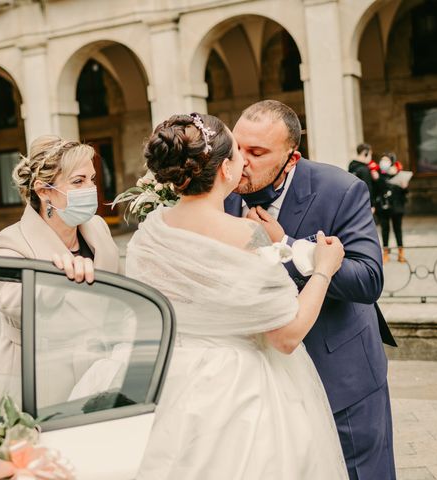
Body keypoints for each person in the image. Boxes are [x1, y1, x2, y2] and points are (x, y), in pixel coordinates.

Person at [128, 113, 348, 479]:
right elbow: (286, 336)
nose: (244, 160)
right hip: (239, 387)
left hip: (168, 380)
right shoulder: (247, 235)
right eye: (237, 153)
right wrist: (324, 268)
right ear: (226, 170)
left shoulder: (150, 231)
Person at [227, 100, 396, 479]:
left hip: (338, 370)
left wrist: (286, 245)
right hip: (258, 378)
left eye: (257, 152)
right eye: (237, 147)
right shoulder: (222, 192)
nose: (241, 161)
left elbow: (368, 279)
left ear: (291, 159)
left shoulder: (341, 189)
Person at [0, 135, 120, 401]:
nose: (90, 189)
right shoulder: (8, 245)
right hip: (42, 387)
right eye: (78, 181)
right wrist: (57, 276)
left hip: (103, 375)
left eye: (92, 179)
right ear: (44, 190)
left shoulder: (98, 228)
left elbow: (121, 300)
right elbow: (13, 304)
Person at [375, 152, 408, 263]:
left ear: (392, 162)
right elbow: (378, 189)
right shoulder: (379, 174)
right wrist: (380, 177)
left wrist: (404, 187)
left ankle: (401, 252)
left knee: (397, 229)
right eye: (382, 160)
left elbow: (404, 193)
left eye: (386, 160)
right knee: (385, 230)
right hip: (383, 207)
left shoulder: (398, 174)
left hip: (397, 207)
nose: (383, 162)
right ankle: (385, 253)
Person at [348, 143, 376, 211]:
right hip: (364, 204)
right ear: (365, 153)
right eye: (370, 154)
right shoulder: (364, 169)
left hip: (354, 202)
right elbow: (367, 188)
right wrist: (371, 204)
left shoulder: (351, 166)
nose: (370, 157)